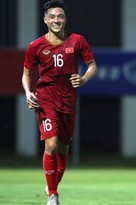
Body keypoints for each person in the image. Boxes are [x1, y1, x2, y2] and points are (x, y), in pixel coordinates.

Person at [21, 0, 98, 204]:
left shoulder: (77, 41)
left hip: (69, 101)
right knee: (52, 145)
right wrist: (29, 93)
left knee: (63, 148)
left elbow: (92, 67)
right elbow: (26, 74)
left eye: (60, 16)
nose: (56, 20)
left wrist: (83, 79)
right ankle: (52, 195)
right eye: (52, 17)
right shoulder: (36, 46)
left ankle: (52, 184)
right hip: (46, 100)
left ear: (65, 19)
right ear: (45, 20)